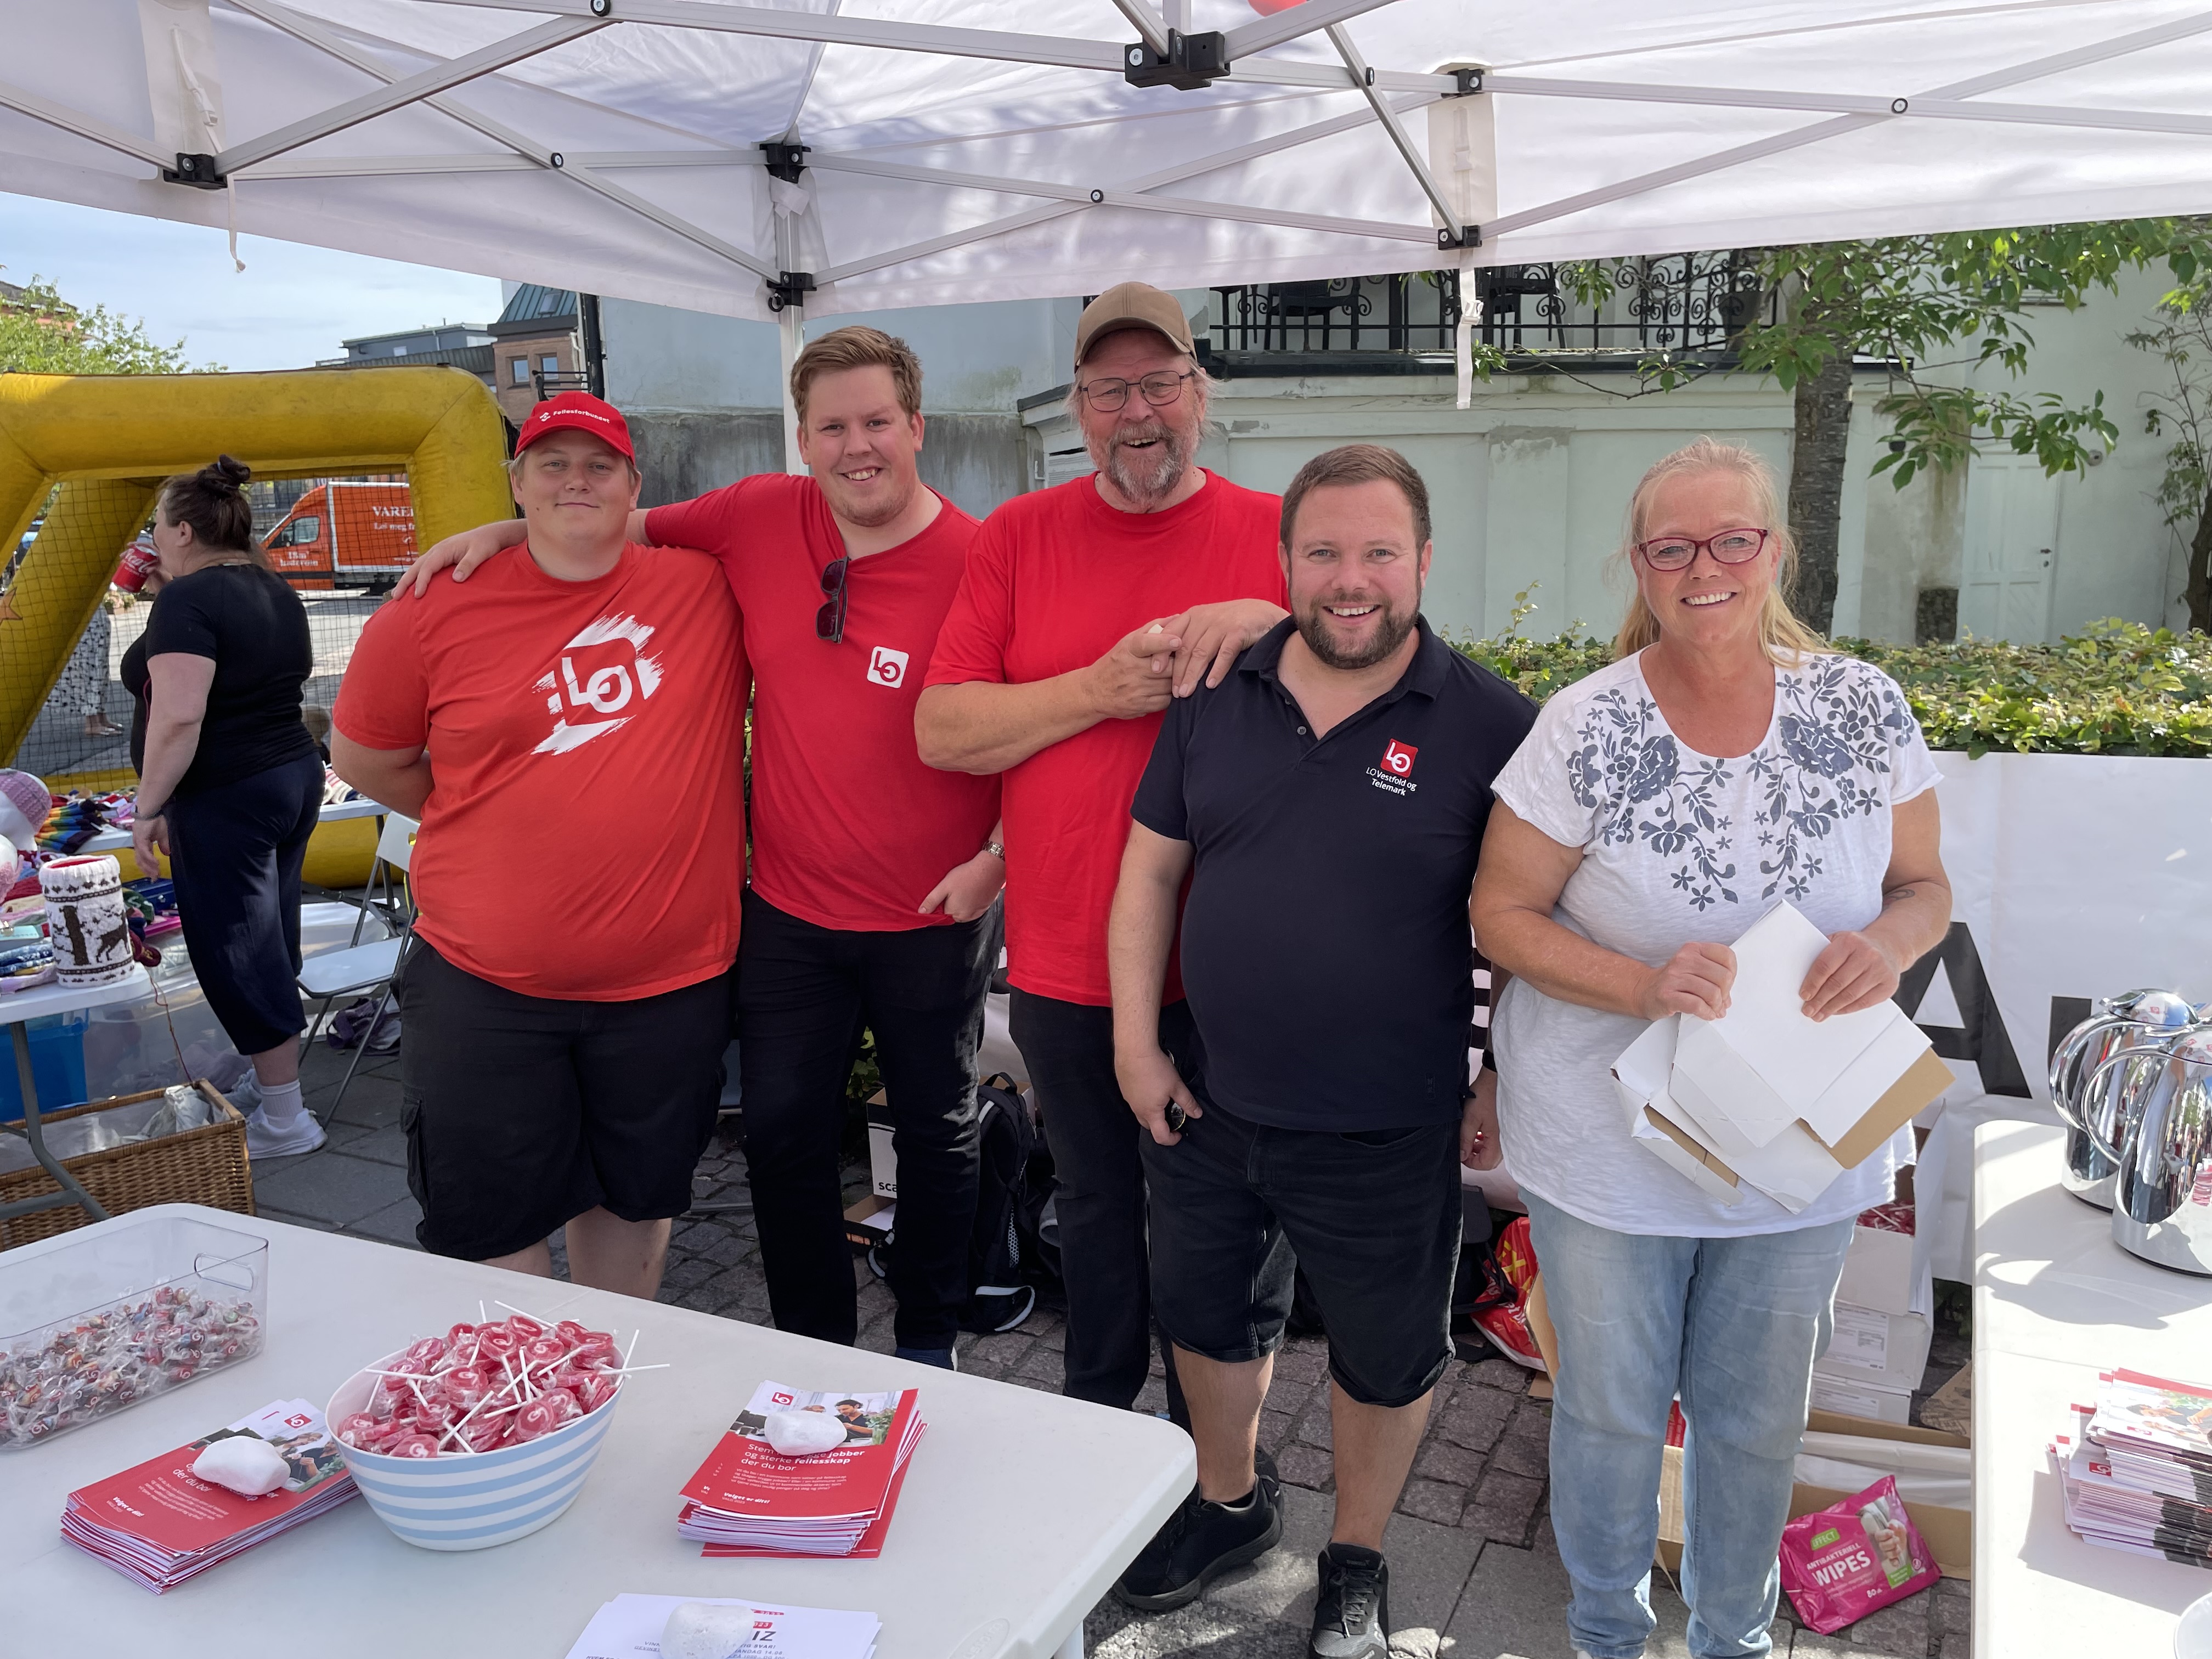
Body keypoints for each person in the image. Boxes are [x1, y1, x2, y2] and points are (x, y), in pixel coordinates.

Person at [407, 329, 1002, 1369]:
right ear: (803, 438)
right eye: (832, 426)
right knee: (779, 1133)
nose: (855, 445)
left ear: (916, 427)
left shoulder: (980, 557)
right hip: (785, 910)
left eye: (875, 422)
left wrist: (998, 855)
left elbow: (1032, 718)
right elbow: (605, 520)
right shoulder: (757, 513)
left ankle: (927, 1340)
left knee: (936, 1130)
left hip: (933, 909)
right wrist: (507, 528)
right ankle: (817, 1348)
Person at [1469, 438, 1953, 1659]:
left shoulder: (1861, 707)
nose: (1705, 567)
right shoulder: (1585, 727)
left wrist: (1890, 946)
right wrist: (1642, 984)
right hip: (1612, 1146)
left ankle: (1738, 1637)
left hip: (1799, 1146)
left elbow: (1925, 884)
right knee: (1614, 1413)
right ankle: (1606, 1636)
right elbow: (1499, 913)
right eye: (1673, 546)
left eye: (1732, 538)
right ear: (1640, 563)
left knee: (1756, 1421)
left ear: (1776, 548)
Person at [1107, 445, 1534, 1658]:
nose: (1353, 581)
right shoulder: (1215, 692)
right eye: (1325, 553)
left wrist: (1496, 1070)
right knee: (1203, 1320)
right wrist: (1138, 1045)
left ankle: (1355, 1557)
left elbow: (1521, 927)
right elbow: (1149, 870)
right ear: (1287, 562)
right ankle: (1230, 1507)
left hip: (1383, 1120)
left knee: (1388, 1361)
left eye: (1379, 553)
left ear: (1425, 563)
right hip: (1206, 1097)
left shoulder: (1493, 724)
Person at [917, 281, 1290, 1412]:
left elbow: (1387, 663)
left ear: (1201, 393)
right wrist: (1097, 687)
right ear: (1079, 407)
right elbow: (943, 729)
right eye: (1111, 389)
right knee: (1092, 1209)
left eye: (1161, 383)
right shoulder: (1021, 537)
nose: (1140, 411)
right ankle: (1097, 1444)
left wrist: (1278, 624)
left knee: (1224, 1224)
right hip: (1070, 955)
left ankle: (1216, 1465)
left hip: (1234, 969)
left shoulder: (1278, 530)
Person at [332, 393, 746, 1299]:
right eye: (550, 464)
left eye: (598, 465)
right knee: (487, 1212)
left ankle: (608, 1369)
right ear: (516, 482)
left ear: (634, 485)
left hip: (667, 984)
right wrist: (482, 808)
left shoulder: (703, 588)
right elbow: (364, 753)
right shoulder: (433, 605)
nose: (575, 481)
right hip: (485, 981)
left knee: (635, 1197)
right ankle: (527, 1398)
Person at [127, 458, 326, 1160]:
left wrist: (147, 805)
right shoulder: (271, 589)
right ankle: (273, 1092)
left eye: (157, 526)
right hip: (290, 778)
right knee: (269, 940)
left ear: (183, 530)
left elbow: (179, 717)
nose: (153, 538)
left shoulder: (193, 602)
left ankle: (285, 1120)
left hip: (230, 792)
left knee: (238, 949)